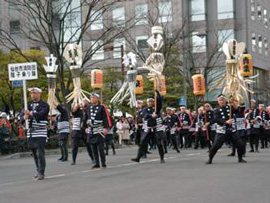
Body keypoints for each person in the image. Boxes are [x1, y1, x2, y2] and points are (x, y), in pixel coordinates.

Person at [206, 94, 246, 164]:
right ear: (218, 101)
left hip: (231, 130)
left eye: (223, 100)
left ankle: (240, 158)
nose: (222, 101)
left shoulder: (230, 107)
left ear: (225, 100)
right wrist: (225, 122)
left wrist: (236, 105)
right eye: (220, 100)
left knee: (240, 144)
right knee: (215, 146)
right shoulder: (216, 110)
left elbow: (238, 111)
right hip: (222, 130)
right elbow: (216, 119)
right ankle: (210, 159)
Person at [131, 90, 165, 164]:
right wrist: (151, 115)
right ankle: (138, 157)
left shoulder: (156, 108)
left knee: (159, 143)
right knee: (142, 143)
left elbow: (160, 102)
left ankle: (162, 158)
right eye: (149, 101)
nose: (150, 102)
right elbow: (145, 115)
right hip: (148, 128)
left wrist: (157, 94)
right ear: (147, 102)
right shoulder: (145, 109)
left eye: (152, 101)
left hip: (156, 128)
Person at [23, 87, 49, 180]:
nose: (33, 95)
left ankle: (41, 172)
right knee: (34, 152)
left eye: (35, 93)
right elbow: (22, 116)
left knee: (39, 152)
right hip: (31, 131)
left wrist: (31, 114)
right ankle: (38, 170)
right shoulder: (28, 104)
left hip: (40, 130)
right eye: (31, 93)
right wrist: (24, 116)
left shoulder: (44, 104)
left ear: (39, 94)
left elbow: (42, 114)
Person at [84, 93, 109, 169]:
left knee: (100, 148)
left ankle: (103, 163)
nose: (92, 99)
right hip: (91, 129)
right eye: (91, 97)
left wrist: (105, 128)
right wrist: (85, 127)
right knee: (93, 147)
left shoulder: (102, 107)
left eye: (93, 97)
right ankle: (96, 163)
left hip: (99, 129)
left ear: (97, 98)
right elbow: (85, 117)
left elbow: (105, 118)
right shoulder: (88, 107)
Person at [70, 101, 94, 165]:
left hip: (84, 130)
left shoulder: (87, 111)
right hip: (76, 130)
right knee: (74, 146)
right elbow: (73, 111)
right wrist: (78, 105)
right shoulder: (78, 111)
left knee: (88, 145)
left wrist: (85, 106)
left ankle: (93, 158)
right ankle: (73, 160)